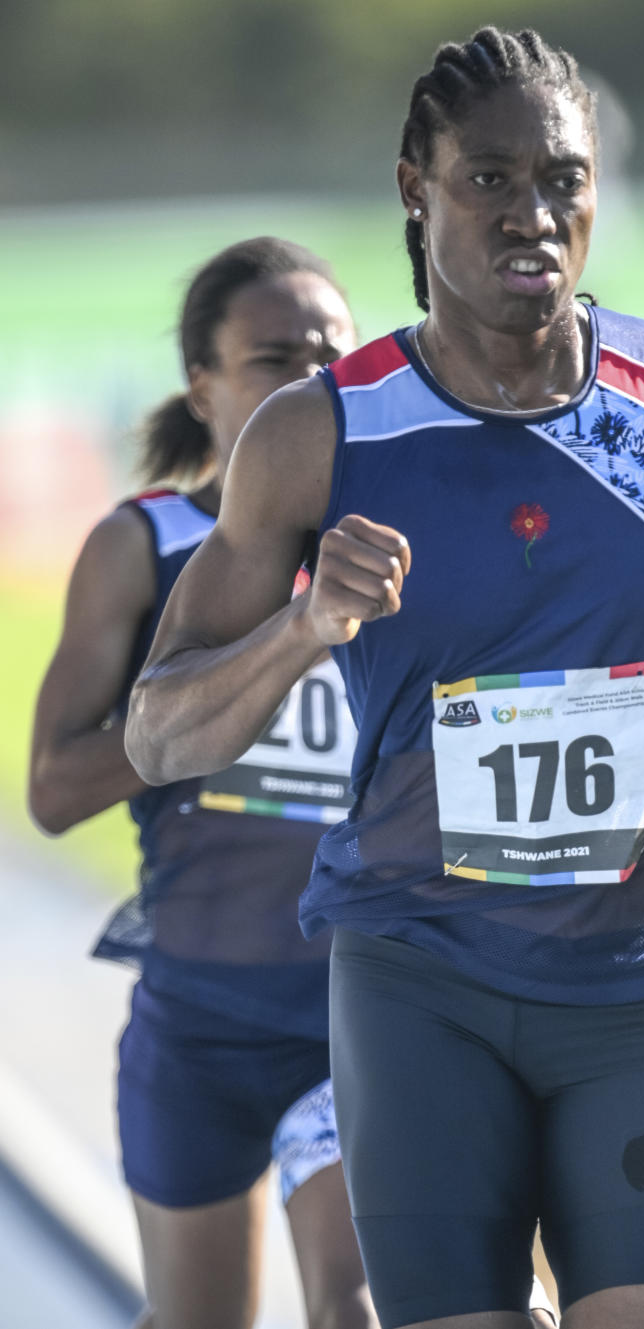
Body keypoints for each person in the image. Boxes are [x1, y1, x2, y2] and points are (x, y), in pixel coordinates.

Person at [124, 28, 644, 1329]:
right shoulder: (324, 433)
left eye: (561, 179)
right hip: (421, 991)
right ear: (414, 188)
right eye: (488, 180)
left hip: (639, 995)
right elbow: (160, 732)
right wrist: (301, 630)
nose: (532, 214)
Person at [28, 237, 373, 1329]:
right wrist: (205, 710)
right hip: (199, 1016)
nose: (311, 380)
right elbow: (49, 790)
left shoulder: (393, 548)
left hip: (357, 1013)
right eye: (274, 357)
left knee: (358, 1306)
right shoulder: (144, 544)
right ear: (204, 386)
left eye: (333, 354)